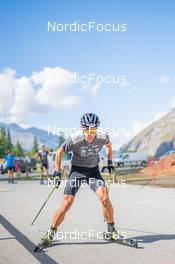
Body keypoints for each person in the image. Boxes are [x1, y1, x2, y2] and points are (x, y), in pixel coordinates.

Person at [37, 113, 120, 248]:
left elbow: (109, 145)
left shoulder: (102, 136)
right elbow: (59, 152)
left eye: (93, 130)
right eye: (87, 130)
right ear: (82, 128)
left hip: (93, 171)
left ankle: (111, 230)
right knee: (66, 203)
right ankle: (50, 234)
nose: (90, 133)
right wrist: (57, 173)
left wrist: (110, 162)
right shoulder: (75, 138)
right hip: (77, 171)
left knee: (104, 198)